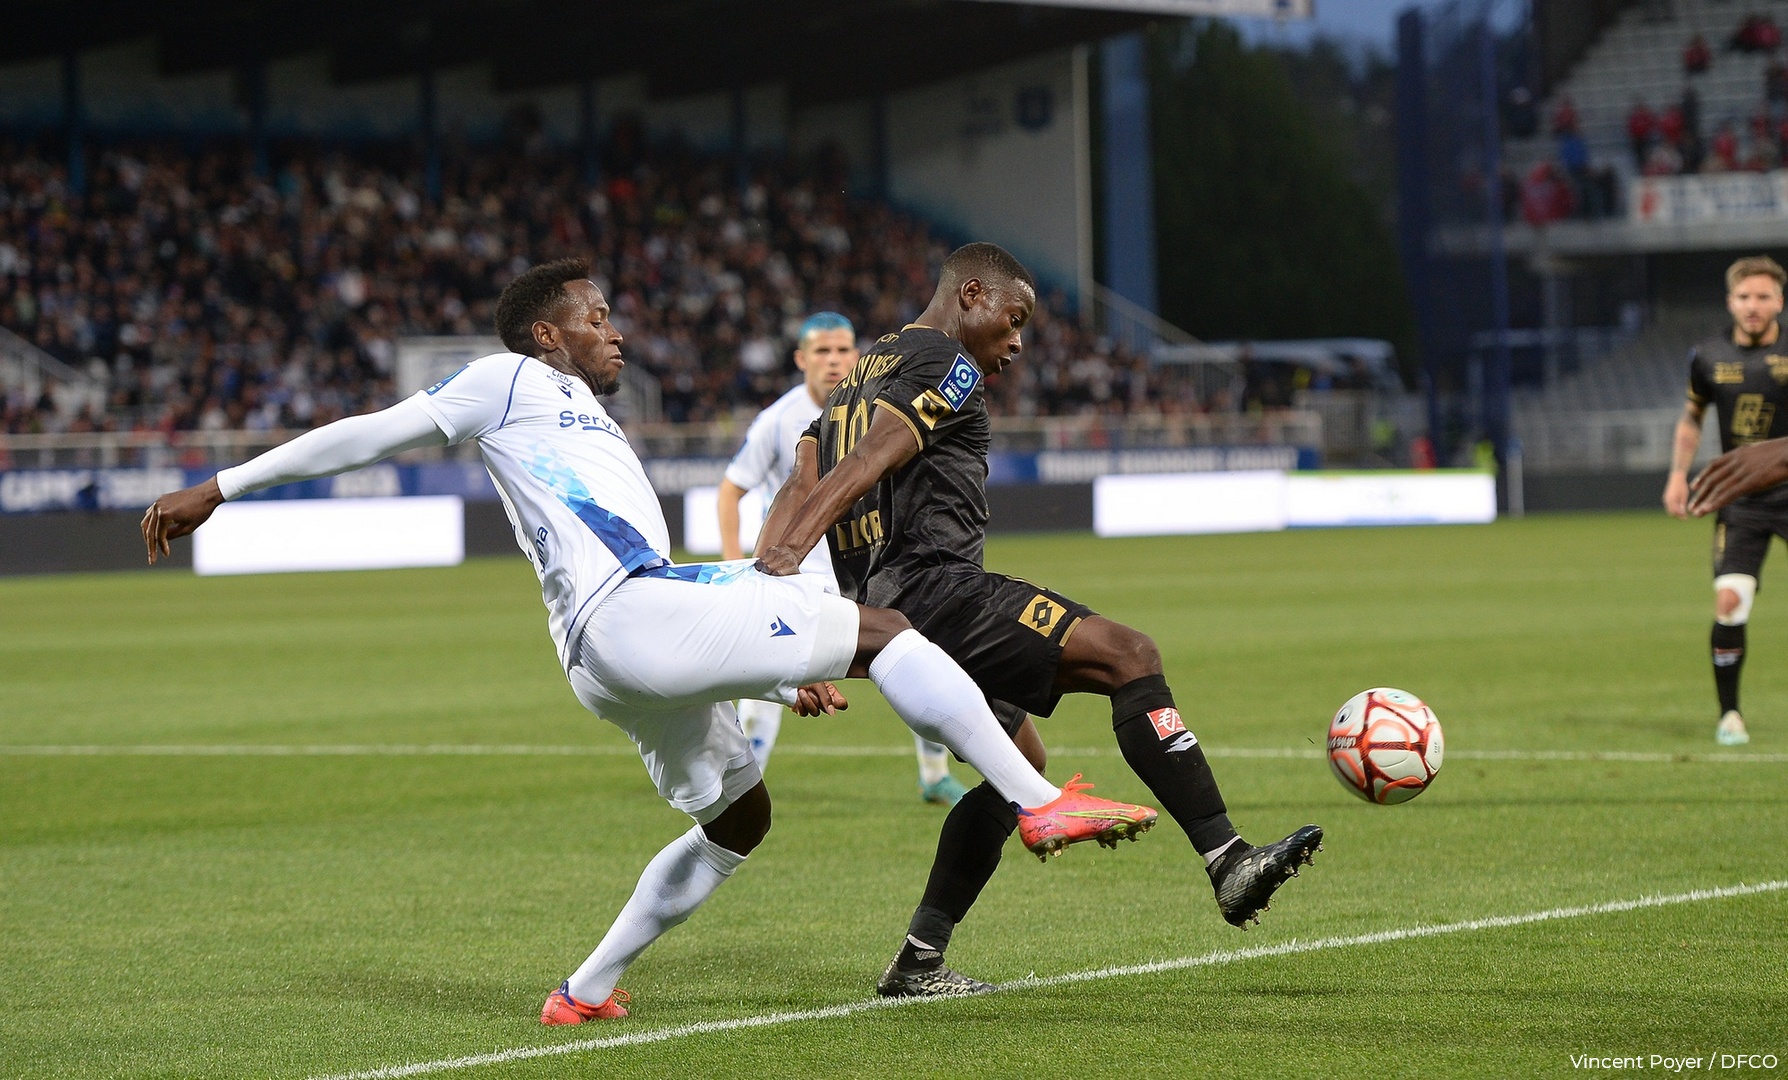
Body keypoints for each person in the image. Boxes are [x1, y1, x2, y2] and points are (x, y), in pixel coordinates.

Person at [139, 258, 1159, 1024]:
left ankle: (584, 991)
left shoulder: (581, 416)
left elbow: (660, 572)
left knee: (742, 815)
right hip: (627, 617)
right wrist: (219, 487)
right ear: (546, 334)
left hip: (619, 646)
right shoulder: (505, 380)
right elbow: (367, 433)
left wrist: (778, 663)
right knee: (888, 629)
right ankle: (1036, 802)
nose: (615, 330)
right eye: (596, 317)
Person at [755, 243, 1322, 998]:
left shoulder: (851, 382)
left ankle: (919, 959)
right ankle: (1228, 859)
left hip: (887, 615)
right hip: (939, 592)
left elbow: (800, 482)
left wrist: (776, 608)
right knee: (1129, 654)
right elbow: (869, 464)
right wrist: (788, 560)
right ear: (972, 294)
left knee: (1019, 763)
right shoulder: (948, 365)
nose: (1018, 342)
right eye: (1013, 318)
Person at [716, 311, 966, 805]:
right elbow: (730, 492)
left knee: (918, 655)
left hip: (866, 563)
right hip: (797, 573)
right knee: (767, 679)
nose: (834, 360)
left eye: (843, 350)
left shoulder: (880, 405)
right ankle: (741, 788)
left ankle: (935, 774)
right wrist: (739, 566)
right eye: (822, 351)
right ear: (801, 359)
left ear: (857, 354)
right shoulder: (777, 420)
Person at [1663, 255, 1788, 747]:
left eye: (1763, 296)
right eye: (1744, 296)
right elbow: (1692, 416)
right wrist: (1678, 475)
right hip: (1742, 500)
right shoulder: (1708, 356)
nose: (1753, 306)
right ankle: (1730, 715)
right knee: (1730, 601)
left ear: (1780, 301)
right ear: (1730, 301)